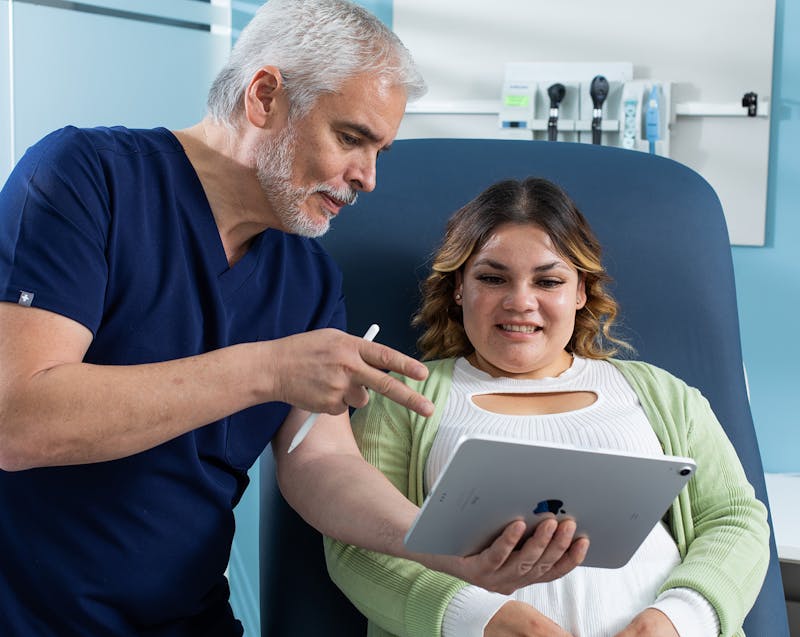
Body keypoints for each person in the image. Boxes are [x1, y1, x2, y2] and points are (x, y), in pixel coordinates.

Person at [0, 2, 589, 635]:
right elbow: (17, 419)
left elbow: (320, 463)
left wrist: (438, 545)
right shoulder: (86, 178)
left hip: (186, 620)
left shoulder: (307, 278)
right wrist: (270, 369)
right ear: (264, 97)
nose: (366, 178)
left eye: (380, 152)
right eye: (352, 138)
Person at [324, 177, 771, 637]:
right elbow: (358, 547)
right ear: (459, 287)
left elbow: (735, 520)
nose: (520, 302)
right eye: (493, 278)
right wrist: (481, 620)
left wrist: (674, 621)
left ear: (580, 291)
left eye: (549, 280)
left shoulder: (662, 395)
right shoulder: (404, 397)